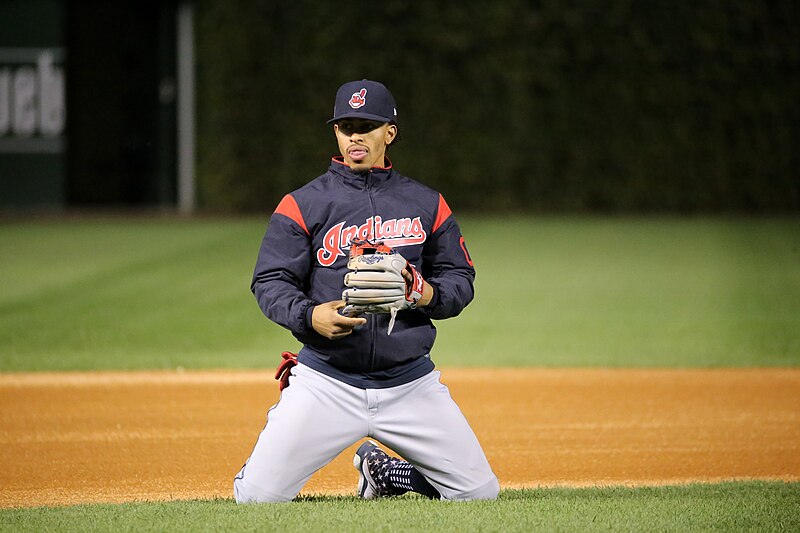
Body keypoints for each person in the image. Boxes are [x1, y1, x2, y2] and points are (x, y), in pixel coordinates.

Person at [233, 80, 499, 503]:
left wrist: (424, 293)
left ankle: (389, 473)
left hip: (409, 382)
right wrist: (309, 316)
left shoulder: (427, 203)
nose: (355, 135)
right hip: (326, 380)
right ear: (336, 133)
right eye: (346, 126)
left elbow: (459, 279)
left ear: (389, 132)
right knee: (257, 498)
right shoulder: (302, 204)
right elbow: (269, 280)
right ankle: (262, 467)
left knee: (479, 493)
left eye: (367, 125)